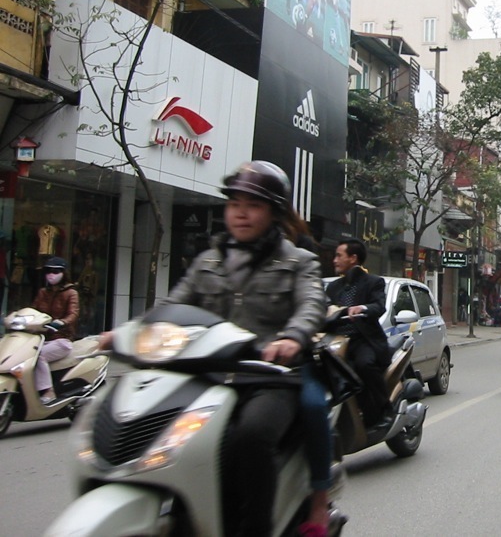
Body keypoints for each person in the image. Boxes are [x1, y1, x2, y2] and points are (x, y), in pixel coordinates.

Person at [103, 161, 331, 537]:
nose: (241, 213)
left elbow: (312, 306)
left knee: (251, 436)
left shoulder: (298, 261)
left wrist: (291, 338)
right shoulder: (206, 261)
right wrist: (126, 333)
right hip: (207, 376)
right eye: (234, 203)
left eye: (253, 205)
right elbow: (171, 309)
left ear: (273, 213)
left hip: (269, 378)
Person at [325, 238, 392, 428]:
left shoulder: (374, 282)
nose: (334, 260)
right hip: (335, 342)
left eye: (339, 255)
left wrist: (361, 308)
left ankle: (385, 407)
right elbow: (323, 309)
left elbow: (378, 306)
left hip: (363, 341)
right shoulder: (333, 287)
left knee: (364, 365)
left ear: (353, 258)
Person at [32, 256, 79, 403]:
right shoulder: (42, 292)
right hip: (40, 339)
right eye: (48, 271)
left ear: (63, 273)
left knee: (38, 357)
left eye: (55, 271)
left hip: (61, 339)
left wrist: (61, 322)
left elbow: (73, 314)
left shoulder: (71, 293)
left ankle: (49, 391)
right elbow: (32, 311)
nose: (51, 274)